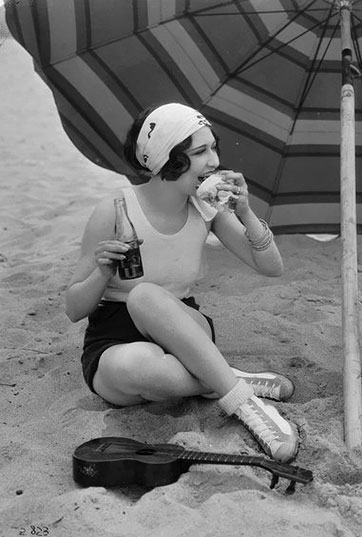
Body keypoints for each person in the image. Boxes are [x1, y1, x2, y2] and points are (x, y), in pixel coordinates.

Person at [65, 103, 298, 463]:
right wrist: (102, 273)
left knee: (144, 295)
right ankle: (225, 378)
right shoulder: (114, 210)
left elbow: (271, 267)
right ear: (166, 158)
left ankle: (247, 407)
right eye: (200, 151)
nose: (214, 161)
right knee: (152, 371)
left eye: (213, 148)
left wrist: (246, 213)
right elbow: (73, 309)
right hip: (115, 339)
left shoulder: (207, 208)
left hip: (186, 328)